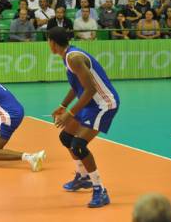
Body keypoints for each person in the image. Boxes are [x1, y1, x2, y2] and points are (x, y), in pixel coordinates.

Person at [48, 27, 119, 207]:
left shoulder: (74, 58)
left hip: (104, 104)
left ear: (53, 43)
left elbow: (90, 89)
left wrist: (69, 113)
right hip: (90, 103)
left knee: (78, 145)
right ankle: (83, 177)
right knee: (66, 137)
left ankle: (100, 190)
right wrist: (63, 106)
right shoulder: (68, 57)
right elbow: (77, 86)